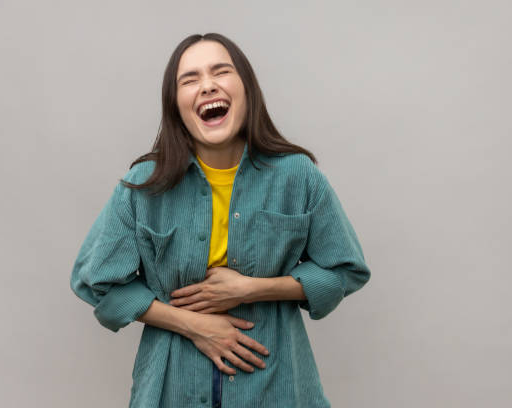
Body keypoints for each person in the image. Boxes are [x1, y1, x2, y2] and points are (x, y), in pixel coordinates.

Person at [70, 32, 371, 408]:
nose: (207, 86)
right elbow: (96, 283)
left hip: (276, 387)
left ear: (246, 89)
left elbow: (345, 271)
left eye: (220, 72)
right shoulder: (143, 185)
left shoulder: (298, 176)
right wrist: (194, 325)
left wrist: (252, 289)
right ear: (175, 103)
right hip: (171, 390)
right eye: (190, 79)